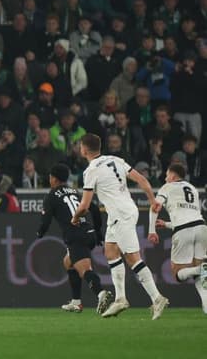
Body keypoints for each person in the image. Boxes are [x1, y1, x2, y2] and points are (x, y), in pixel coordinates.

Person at [73, 133, 168, 319]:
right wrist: (151, 199)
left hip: (121, 215)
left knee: (133, 259)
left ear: (84, 149)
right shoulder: (116, 159)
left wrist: (75, 217)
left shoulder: (91, 170)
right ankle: (120, 299)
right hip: (122, 212)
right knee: (110, 251)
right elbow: (141, 179)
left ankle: (157, 298)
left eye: (80, 146)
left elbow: (84, 205)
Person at [37, 164, 112, 314]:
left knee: (84, 270)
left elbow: (45, 221)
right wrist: (98, 233)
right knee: (68, 262)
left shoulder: (51, 195)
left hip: (76, 235)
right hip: (89, 232)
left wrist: (40, 233)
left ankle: (101, 293)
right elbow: (95, 210)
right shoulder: (76, 192)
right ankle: (76, 302)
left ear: (53, 179)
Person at [154, 163, 207, 313]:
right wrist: (167, 224)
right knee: (201, 274)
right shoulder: (193, 189)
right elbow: (190, 216)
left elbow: (156, 206)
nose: (165, 178)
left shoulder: (167, 187)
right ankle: (206, 305)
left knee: (177, 274)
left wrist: (152, 229)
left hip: (183, 230)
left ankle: (199, 268)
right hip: (202, 227)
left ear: (172, 176)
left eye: (166, 175)